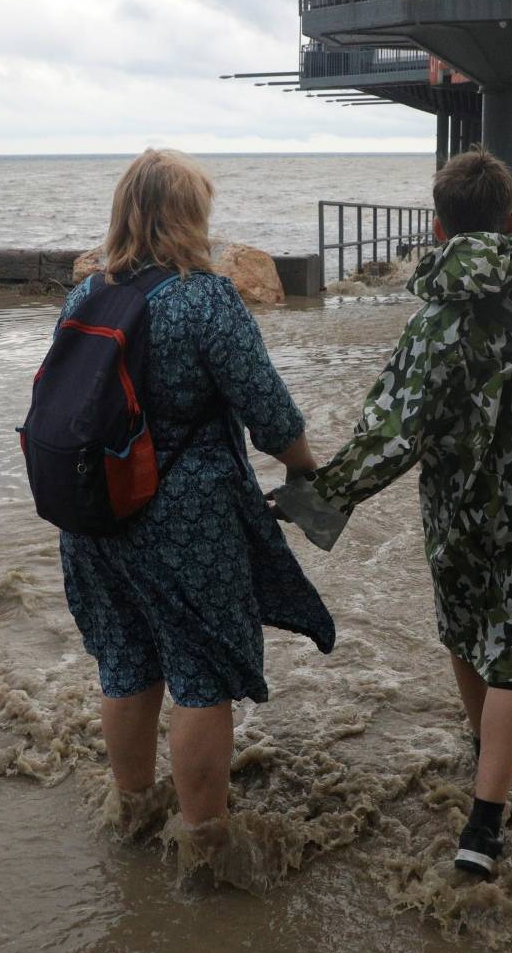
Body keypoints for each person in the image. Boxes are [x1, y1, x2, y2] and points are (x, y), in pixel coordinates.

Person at [272, 150, 512, 878]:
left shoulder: (433, 328)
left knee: (464, 624)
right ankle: (485, 825)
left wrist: (309, 498)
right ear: (511, 220)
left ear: (436, 226)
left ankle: (484, 757)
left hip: (460, 513)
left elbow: (389, 438)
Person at [55, 149, 334, 834]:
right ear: (190, 217)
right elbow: (270, 416)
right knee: (201, 678)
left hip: (91, 517)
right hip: (184, 526)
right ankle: (205, 847)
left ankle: (134, 814)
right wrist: (310, 470)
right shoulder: (205, 298)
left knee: (125, 665)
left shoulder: (85, 295)